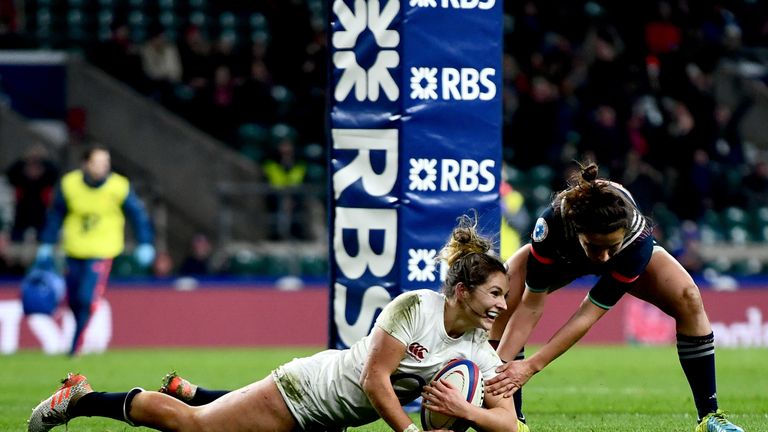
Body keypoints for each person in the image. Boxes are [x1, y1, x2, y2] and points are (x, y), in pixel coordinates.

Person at [28, 215, 528, 432]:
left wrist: (469, 412)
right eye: (495, 294)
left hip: (331, 419)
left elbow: (511, 425)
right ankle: (82, 399)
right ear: (461, 290)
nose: (502, 306)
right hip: (308, 393)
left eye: (504, 296)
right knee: (196, 428)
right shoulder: (414, 308)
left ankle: (190, 388)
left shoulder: (481, 352)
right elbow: (376, 380)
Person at [486, 161, 745, 432]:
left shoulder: (636, 240)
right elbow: (531, 305)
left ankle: (709, 417)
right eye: (595, 246)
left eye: (612, 246)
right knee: (504, 300)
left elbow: (588, 313)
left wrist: (532, 366)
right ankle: (512, 419)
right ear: (577, 231)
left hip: (622, 256)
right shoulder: (551, 227)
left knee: (688, 295)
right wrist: (499, 368)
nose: (604, 257)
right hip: (566, 257)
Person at [34, 145, 155, 356]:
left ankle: (75, 347)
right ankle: (76, 338)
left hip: (102, 251)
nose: (103, 167)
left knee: (86, 298)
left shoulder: (119, 186)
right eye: (98, 163)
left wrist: (145, 242)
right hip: (74, 250)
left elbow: (138, 216)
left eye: (105, 163)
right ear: (85, 164)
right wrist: (46, 243)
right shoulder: (69, 184)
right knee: (72, 299)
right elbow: (56, 215)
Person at [4, 144, 60, 243]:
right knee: (17, 236)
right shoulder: (21, 171)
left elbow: (55, 173)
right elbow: (9, 174)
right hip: (22, 207)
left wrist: (44, 159)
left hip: (41, 208)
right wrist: (24, 159)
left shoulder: (45, 172)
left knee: (42, 236)